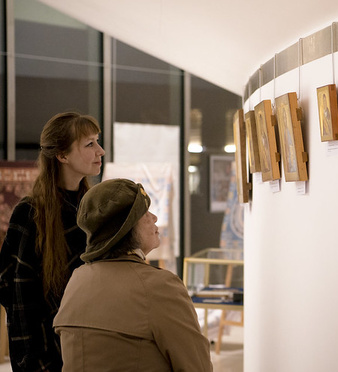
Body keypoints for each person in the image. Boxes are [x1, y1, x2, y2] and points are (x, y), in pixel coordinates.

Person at [54, 178, 213, 371]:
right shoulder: (159, 285)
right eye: (145, 213)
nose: (154, 217)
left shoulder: (77, 279)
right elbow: (196, 365)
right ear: (127, 227)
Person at [0, 111, 105, 371]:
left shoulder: (96, 208)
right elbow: (16, 293)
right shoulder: (30, 213)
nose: (100, 151)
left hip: (96, 345)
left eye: (97, 141)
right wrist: (34, 362)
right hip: (47, 353)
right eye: (89, 144)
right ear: (62, 155)